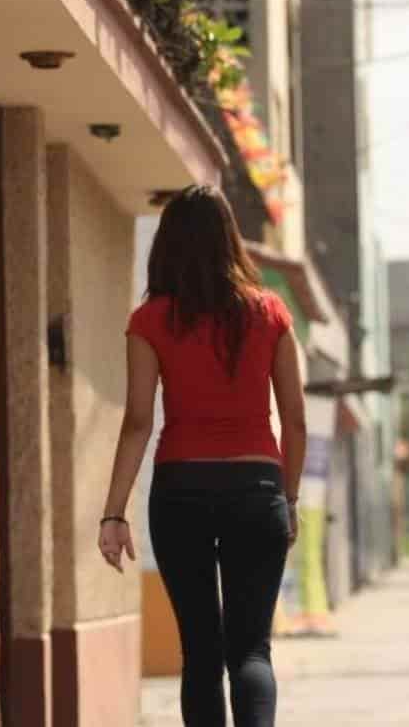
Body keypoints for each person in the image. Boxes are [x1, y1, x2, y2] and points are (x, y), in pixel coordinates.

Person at [98, 185, 306, 727]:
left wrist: (114, 511)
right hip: (258, 490)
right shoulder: (270, 314)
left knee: (202, 653)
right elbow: (296, 420)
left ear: (167, 245)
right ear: (230, 240)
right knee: (252, 652)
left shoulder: (150, 320)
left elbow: (139, 420)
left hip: (181, 491)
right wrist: (290, 497)